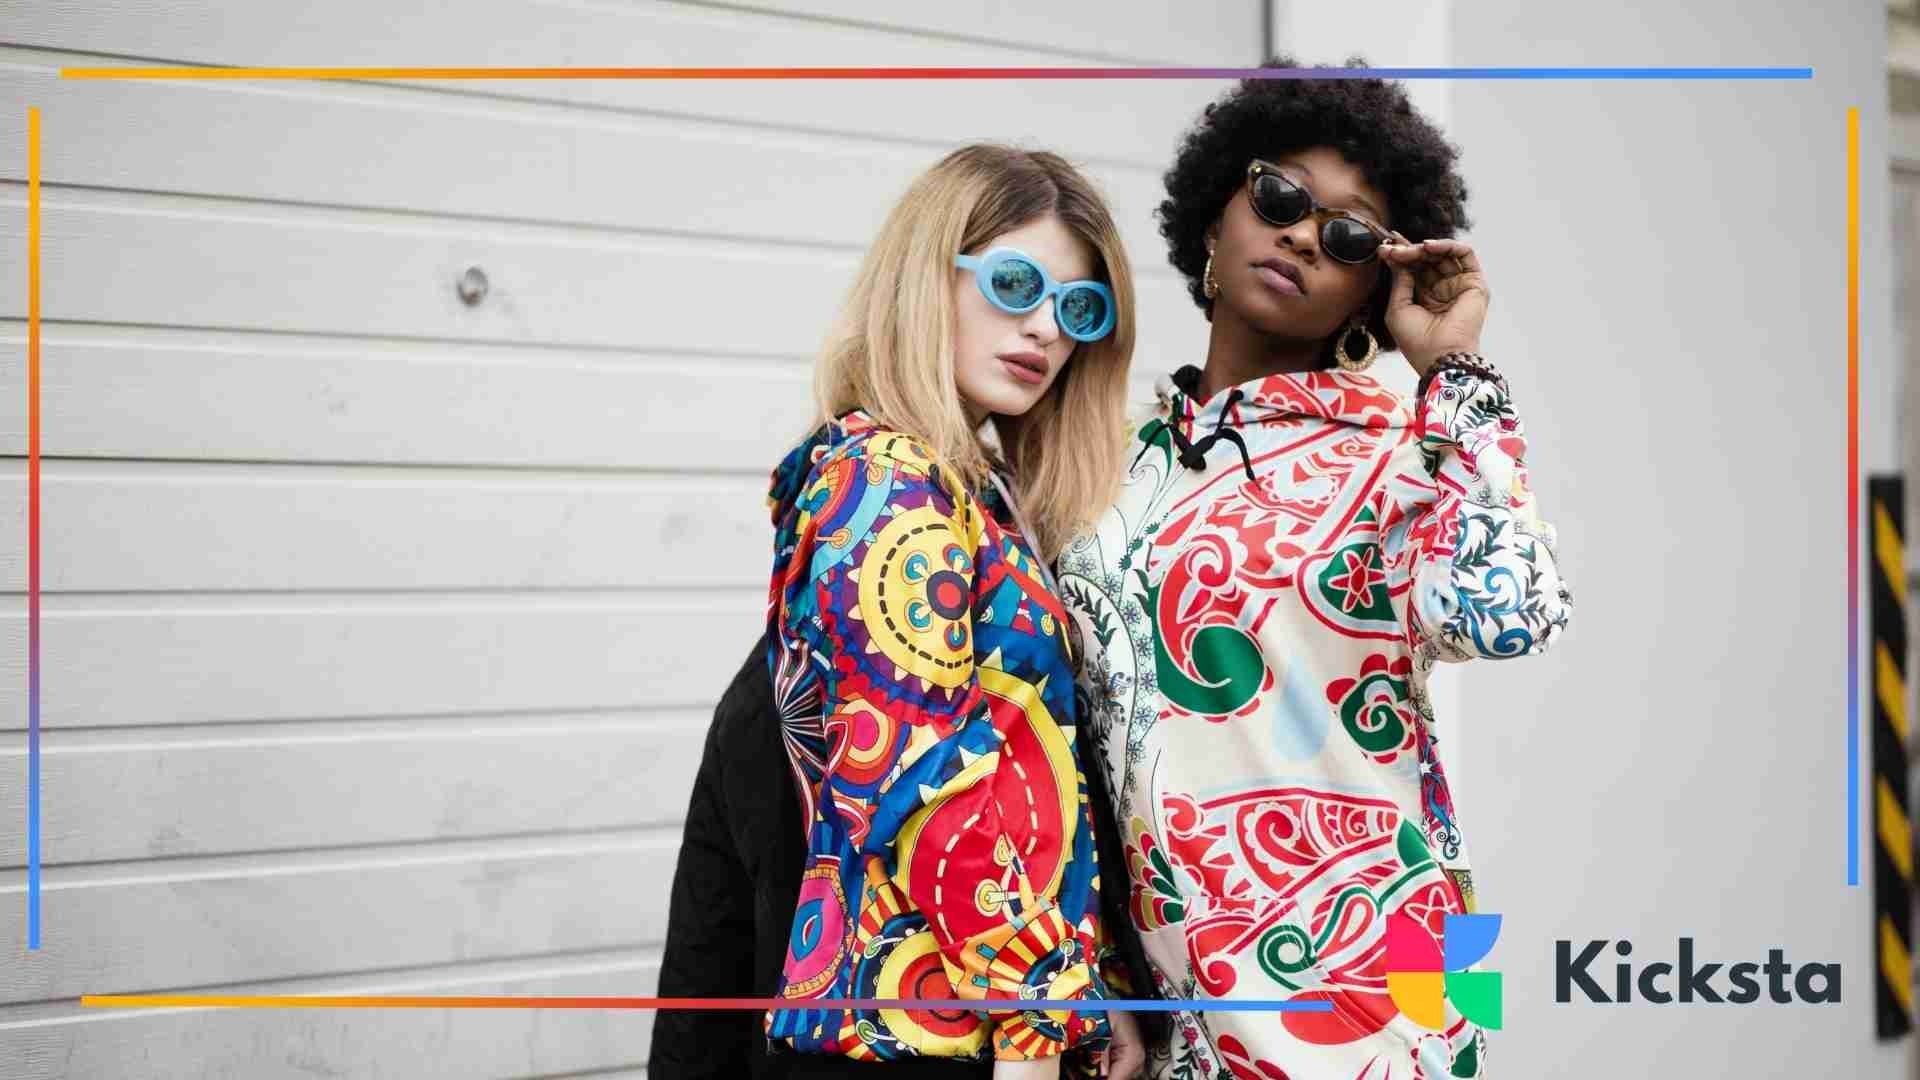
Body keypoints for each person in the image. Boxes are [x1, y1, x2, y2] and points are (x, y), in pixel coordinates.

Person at [1055, 60, 1575, 1079]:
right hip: (1172, 1006)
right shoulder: (1104, 460)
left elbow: (1514, 612)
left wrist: (1451, 373)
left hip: (1375, 985)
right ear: (1215, 217)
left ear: (1371, 290)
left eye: (1349, 234)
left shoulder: (1399, 453)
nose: (1302, 234)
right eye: (1282, 197)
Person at [653, 144, 1151, 1080]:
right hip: (917, 1029)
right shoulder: (885, 472)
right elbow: (918, 775)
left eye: (1076, 309)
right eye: (1014, 283)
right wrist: (1043, 1012)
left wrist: (1096, 981)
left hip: (972, 1012)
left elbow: (1041, 781)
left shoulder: (979, 490)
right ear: (931, 278)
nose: (1045, 328)